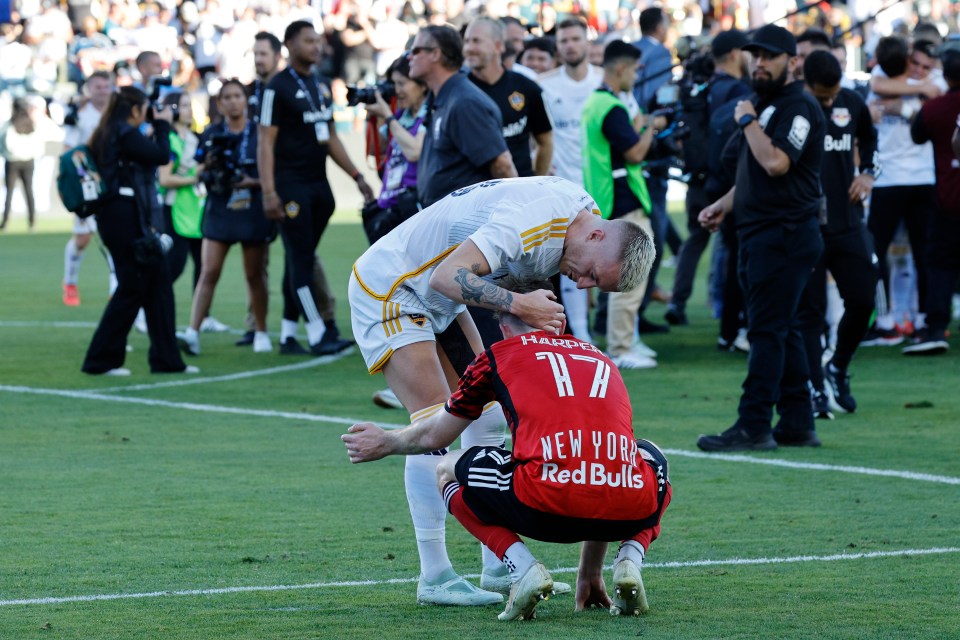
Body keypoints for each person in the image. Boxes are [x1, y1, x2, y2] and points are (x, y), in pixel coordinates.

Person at [347, 175, 654, 606]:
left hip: (437, 297)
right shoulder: (532, 220)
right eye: (591, 274)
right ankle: (434, 575)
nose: (581, 284)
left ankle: (497, 563)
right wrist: (520, 305)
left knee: (487, 411)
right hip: (394, 287)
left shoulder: (579, 223)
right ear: (597, 235)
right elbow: (446, 276)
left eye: (592, 285)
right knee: (435, 423)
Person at [696, 24, 825, 452]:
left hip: (784, 234)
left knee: (767, 331)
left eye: (769, 56)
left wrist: (748, 119)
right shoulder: (768, 105)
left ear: (792, 62)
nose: (760, 63)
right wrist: (723, 205)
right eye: (755, 55)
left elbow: (775, 163)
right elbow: (754, 175)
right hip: (763, 232)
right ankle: (796, 421)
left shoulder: (797, 107)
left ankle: (753, 424)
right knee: (782, 329)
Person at [258, 20, 370, 357]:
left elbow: (331, 136)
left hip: (320, 185)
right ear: (290, 45)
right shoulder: (275, 87)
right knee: (301, 258)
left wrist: (356, 174)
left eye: (318, 41)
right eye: (309, 41)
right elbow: (265, 141)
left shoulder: (321, 86)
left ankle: (288, 335)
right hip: (290, 186)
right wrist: (268, 191)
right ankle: (319, 332)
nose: (316, 47)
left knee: (299, 259)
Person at [81, 86, 195, 376]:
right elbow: (160, 155)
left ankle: (167, 360)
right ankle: (100, 360)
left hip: (117, 216)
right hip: (125, 216)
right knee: (133, 287)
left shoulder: (108, 132)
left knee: (157, 282)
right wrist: (161, 125)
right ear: (135, 110)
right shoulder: (124, 132)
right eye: (145, 109)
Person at [797, 50, 879, 417]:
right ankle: (815, 389)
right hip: (807, 225)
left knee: (864, 300)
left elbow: (871, 139)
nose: (829, 102)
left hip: (847, 221)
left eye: (833, 94)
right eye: (822, 96)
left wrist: (867, 174)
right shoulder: (794, 108)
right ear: (806, 83)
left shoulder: (851, 101)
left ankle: (839, 365)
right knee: (810, 314)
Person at [581, 40, 665, 370]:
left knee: (621, 276)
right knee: (631, 275)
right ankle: (621, 346)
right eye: (633, 70)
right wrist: (647, 126)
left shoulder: (596, 103)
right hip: (622, 199)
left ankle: (625, 339)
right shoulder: (610, 107)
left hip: (607, 197)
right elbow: (634, 153)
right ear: (621, 68)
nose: (635, 77)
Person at [178, 79, 274, 356]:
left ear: (245, 100)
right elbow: (198, 170)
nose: (233, 101)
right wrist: (207, 166)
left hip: (252, 206)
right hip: (220, 205)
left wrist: (252, 183)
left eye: (237, 96)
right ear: (219, 103)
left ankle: (261, 331)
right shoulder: (211, 133)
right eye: (227, 97)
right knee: (208, 271)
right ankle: (192, 332)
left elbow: (271, 172)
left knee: (254, 274)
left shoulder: (259, 133)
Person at [665, 29, 752, 327]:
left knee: (696, 240)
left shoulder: (700, 87)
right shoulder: (738, 90)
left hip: (698, 179)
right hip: (726, 181)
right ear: (735, 53)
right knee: (735, 248)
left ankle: (679, 301)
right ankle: (731, 319)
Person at [864, 37, 944, 345]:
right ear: (907, 58)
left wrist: (903, 104)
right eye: (916, 63)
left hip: (920, 178)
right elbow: (879, 84)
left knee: (924, 253)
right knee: (876, 252)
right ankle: (886, 322)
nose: (921, 70)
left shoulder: (933, 81)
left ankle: (921, 320)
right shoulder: (882, 80)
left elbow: (933, 91)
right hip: (889, 179)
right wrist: (915, 95)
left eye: (926, 65)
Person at [539, 18, 605, 343]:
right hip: (564, 190)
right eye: (563, 40)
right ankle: (582, 333)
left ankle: (619, 332)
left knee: (613, 254)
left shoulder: (603, 82)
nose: (569, 45)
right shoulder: (545, 84)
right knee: (571, 259)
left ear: (588, 43)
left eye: (575, 39)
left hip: (604, 185)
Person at [409, 24, 517, 208]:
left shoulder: (464, 102)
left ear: (436, 54)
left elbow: (502, 165)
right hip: (446, 219)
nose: (410, 57)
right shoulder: (442, 98)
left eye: (416, 50)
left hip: (466, 223)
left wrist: (519, 211)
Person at [906, 47, 960, 355]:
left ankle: (936, 327)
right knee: (939, 264)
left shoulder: (935, 108)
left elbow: (917, 134)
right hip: (947, 198)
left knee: (940, 265)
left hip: (947, 199)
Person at [463, 17, 553, 179]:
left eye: (476, 41)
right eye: (467, 41)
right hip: (476, 195)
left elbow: (545, 141)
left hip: (519, 193)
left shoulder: (527, 87)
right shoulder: (459, 91)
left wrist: (535, 181)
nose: (469, 48)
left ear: (498, 46)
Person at [62, 70, 116, 307]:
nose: (102, 91)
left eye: (106, 86)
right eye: (98, 87)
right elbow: (68, 151)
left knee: (116, 236)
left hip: (113, 181)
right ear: (89, 89)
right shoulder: (79, 115)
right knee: (82, 239)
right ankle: (70, 281)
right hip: (88, 183)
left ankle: (116, 289)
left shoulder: (117, 113)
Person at [362, 53, 428, 245]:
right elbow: (375, 150)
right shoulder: (401, 115)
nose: (396, 91)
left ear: (422, 85)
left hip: (413, 208)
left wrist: (388, 118)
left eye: (402, 84)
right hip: (389, 205)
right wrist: (375, 114)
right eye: (393, 84)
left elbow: (414, 152)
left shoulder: (430, 113)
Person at [0, 97, 42, 232]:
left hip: (13, 161)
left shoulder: (10, 124)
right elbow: (39, 145)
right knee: (28, 191)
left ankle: (5, 222)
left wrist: (8, 153)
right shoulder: (32, 124)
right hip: (28, 160)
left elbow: (5, 142)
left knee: (10, 192)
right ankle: (32, 222)